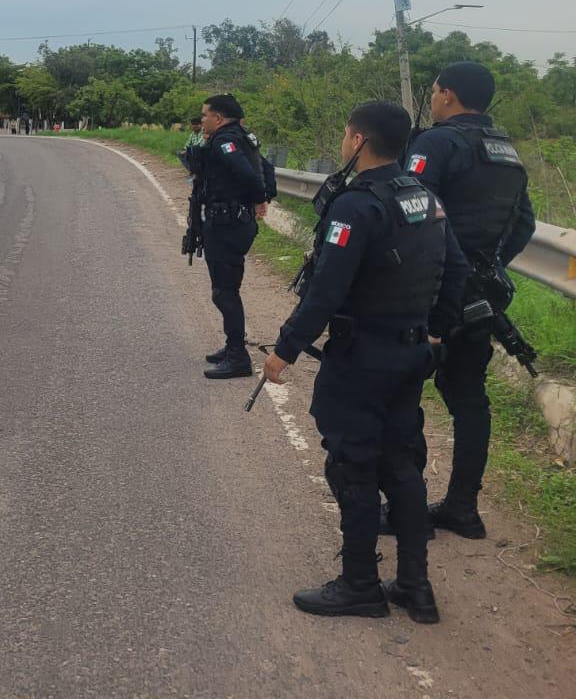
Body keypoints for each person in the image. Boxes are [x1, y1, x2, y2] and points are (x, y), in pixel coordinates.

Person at [263, 101, 467, 622]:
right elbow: (456, 269)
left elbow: (326, 291)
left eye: (345, 134)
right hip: (412, 352)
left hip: (363, 357)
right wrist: (436, 333)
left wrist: (284, 349)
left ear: (358, 140)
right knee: (401, 461)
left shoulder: (357, 205)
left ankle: (359, 584)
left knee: (353, 464)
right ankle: (415, 587)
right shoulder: (425, 196)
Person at [402, 61, 536, 539]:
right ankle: (462, 506)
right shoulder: (508, 152)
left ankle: (405, 510)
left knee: (401, 391)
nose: (434, 98)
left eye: (436, 91)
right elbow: (524, 225)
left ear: (449, 96)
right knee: (468, 398)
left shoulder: (436, 142)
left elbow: (413, 214)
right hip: (481, 296)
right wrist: (487, 268)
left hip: (431, 292)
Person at [192, 94, 275, 379]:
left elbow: (249, 175)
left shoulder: (224, 141)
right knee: (227, 289)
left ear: (218, 117)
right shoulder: (244, 136)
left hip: (228, 225)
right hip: (236, 222)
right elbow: (267, 169)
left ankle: (238, 357)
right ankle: (232, 347)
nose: (201, 120)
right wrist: (264, 198)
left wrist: (259, 197)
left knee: (224, 292)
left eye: (205, 115)